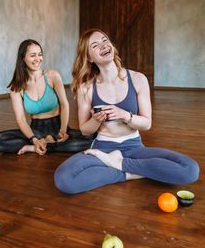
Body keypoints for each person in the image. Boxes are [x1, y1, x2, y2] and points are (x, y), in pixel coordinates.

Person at [54, 29, 199, 194]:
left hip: (135, 148)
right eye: (95, 45)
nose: (103, 46)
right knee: (64, 179)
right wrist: (96, 119)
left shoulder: (138, 79)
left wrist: (125, 116)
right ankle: (135, 172)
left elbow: (146, 123)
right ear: (89, 57)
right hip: (102, 149)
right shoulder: (86, 88)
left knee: (190, 169)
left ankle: (120, 165)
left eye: (104, 40)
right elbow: (85, 130)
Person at [0, 39, 93, 155]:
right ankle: (41, 145)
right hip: (35, 131)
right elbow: (21, 119)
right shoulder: (16, 86)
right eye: (33, 55)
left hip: (58, 128)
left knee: (92, 138)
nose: (38, 59)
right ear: (23, 58)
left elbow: (64, 104)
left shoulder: (52, 76)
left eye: (40, 54)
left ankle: (41, 146)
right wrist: (34, 140)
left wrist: (63, 131)